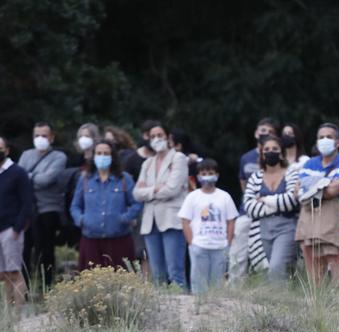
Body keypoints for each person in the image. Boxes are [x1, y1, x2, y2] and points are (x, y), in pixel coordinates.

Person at [296, 124, 339, 287]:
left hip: (338, 229)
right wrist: (323, 184)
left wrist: (310, 187)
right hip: (311, 227)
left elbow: (332, 191)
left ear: (338, 142)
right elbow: (297, 191)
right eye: (321, 137)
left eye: (329, 137)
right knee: (315, 282)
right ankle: (317, 311)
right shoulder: (309, 164)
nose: (324, 140)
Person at [133, 121, 189, 287]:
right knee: (157, 274)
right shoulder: (147, 163)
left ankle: (184, 309)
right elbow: (136, 193)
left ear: (168, 137)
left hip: (171, 219)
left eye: (160, 135)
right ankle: (163, 308)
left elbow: (172, 189)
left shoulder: (178, 158)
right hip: (150, 221)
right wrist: (155, 190)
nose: (156, 139)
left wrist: (148, 191)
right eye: (153, 136)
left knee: (175, 271)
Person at [71, 142, 142, 270]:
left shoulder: (124, 179)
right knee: (93, 282)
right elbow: (75, 206)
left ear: (112, 156)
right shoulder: (85, 179)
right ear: (93, 156)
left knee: (122, 280)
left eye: (106, 153)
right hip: (91, 239)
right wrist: (82, 220)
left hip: (119, 239)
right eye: (99, 153)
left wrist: (125, 218)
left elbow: (136, 204)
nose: (102, 156)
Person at [0, 136, 33, 306]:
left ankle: (18, 316)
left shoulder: (18, 173)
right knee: (1, 275)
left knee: (14, 272)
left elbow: (27, 203)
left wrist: (17, 229)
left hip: (10, 231)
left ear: (7, 150)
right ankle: (7, 315)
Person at [243, 135, 299, 282]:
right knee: (267, 271)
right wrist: (278, 205)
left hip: (286, 226)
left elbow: (292, 201)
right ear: (262, 153)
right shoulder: (255, 177)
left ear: (281, 152)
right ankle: (280, 301)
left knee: (276, 268)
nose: (271, 151)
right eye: (267, 149)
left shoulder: (291, 173)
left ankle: (280, 302)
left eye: (275, 148)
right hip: (262, 228)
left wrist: (265, 200)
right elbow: (249, 207)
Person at [19, 121, 68, 287]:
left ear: (52, 137)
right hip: (27, 210)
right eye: (37, 135)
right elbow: (19, 179)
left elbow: (47, 180)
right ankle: (25, 287)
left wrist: (29, 175)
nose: (40, 139)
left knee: (45, 251)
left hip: (48, 210)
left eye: (44, 135)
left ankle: (47, 287)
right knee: (25, 249)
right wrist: (35, 177)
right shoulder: (26, 155)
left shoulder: (59, 157)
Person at [179, 159, 238, 293]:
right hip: (199, 245)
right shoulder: (192, 197)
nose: (207, 176)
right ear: (198, 176)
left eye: (210, 173)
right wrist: (192, 243)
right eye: (203, 173)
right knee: (198, 284)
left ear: (217, 175)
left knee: (217, 284)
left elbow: (231, 221)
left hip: (220, 246)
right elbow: (185, 221)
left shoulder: (225, 197)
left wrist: (227, 243)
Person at [232, 117, 279, 282]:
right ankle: (236, 286)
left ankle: (266, 286)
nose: (265, 133)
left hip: (271, 212)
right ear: (255, 133)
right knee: (238, 253)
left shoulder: (278, 157)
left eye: (270, 131)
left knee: (268, 255)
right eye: (262, 130)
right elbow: (243, 185)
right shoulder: (246, 157)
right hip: (247, 211)